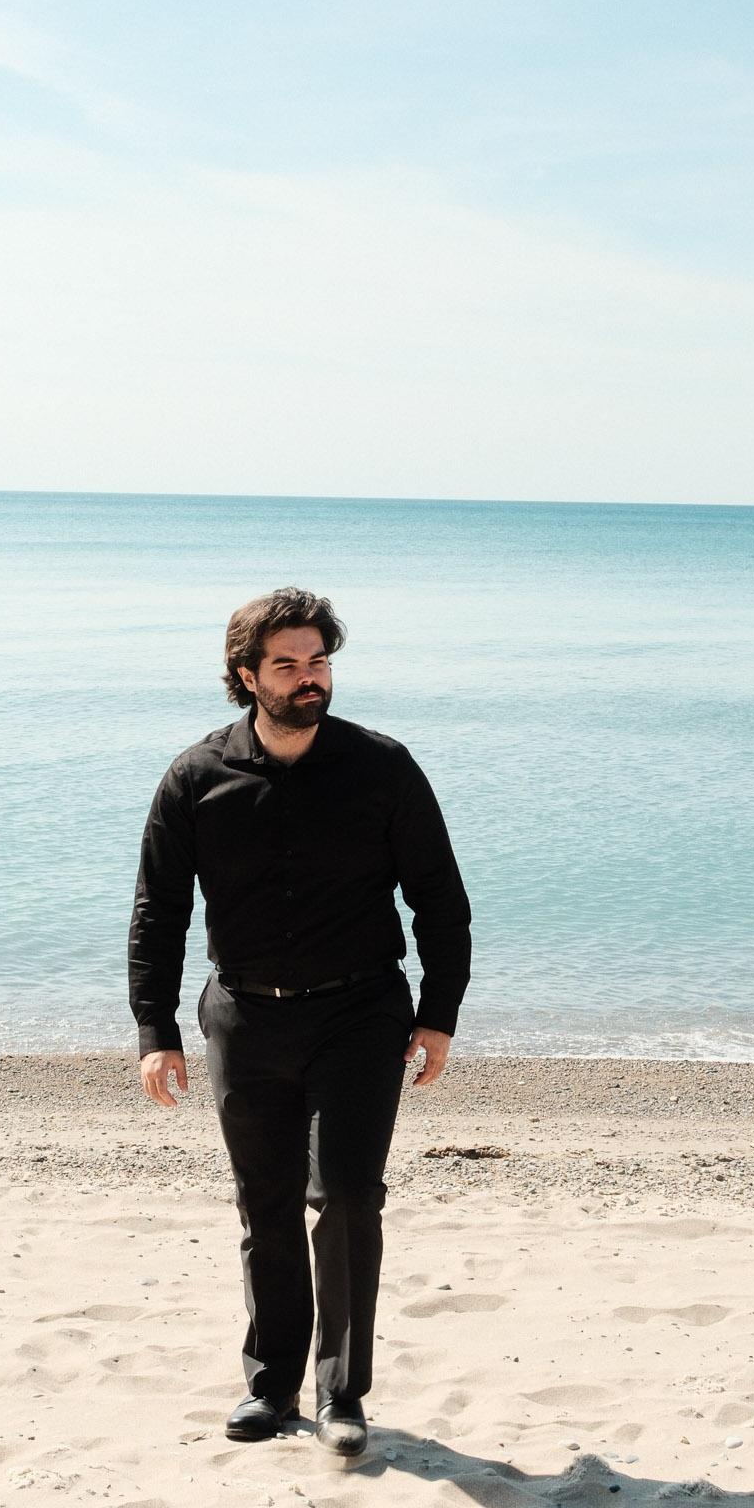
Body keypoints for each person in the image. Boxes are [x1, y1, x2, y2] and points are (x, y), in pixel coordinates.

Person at [129, 587, 471, 1459]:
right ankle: (270, 1385)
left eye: (318, 660)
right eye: (286, 664)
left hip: (360, 1013)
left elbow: (438, 899)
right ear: (247, 677)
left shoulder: (383, 768)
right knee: (267, 1203)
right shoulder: (195, 778)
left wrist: (438, 1015)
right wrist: (154, 1030)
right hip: (242, 1018)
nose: (307, 677)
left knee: (348, 1197)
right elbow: (157, 911)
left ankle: (342, 1393)